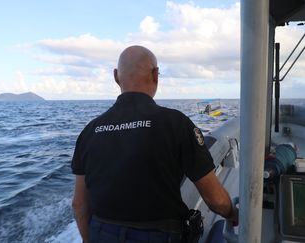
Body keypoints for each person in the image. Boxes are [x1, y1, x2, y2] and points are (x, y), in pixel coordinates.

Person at [71, 45, 238, 243]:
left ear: (116, 77)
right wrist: (232, 214)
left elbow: (79, 205)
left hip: (102, 233)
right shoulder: (176, 123)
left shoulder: (90, 130)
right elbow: (215, 199)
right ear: (156, 75)